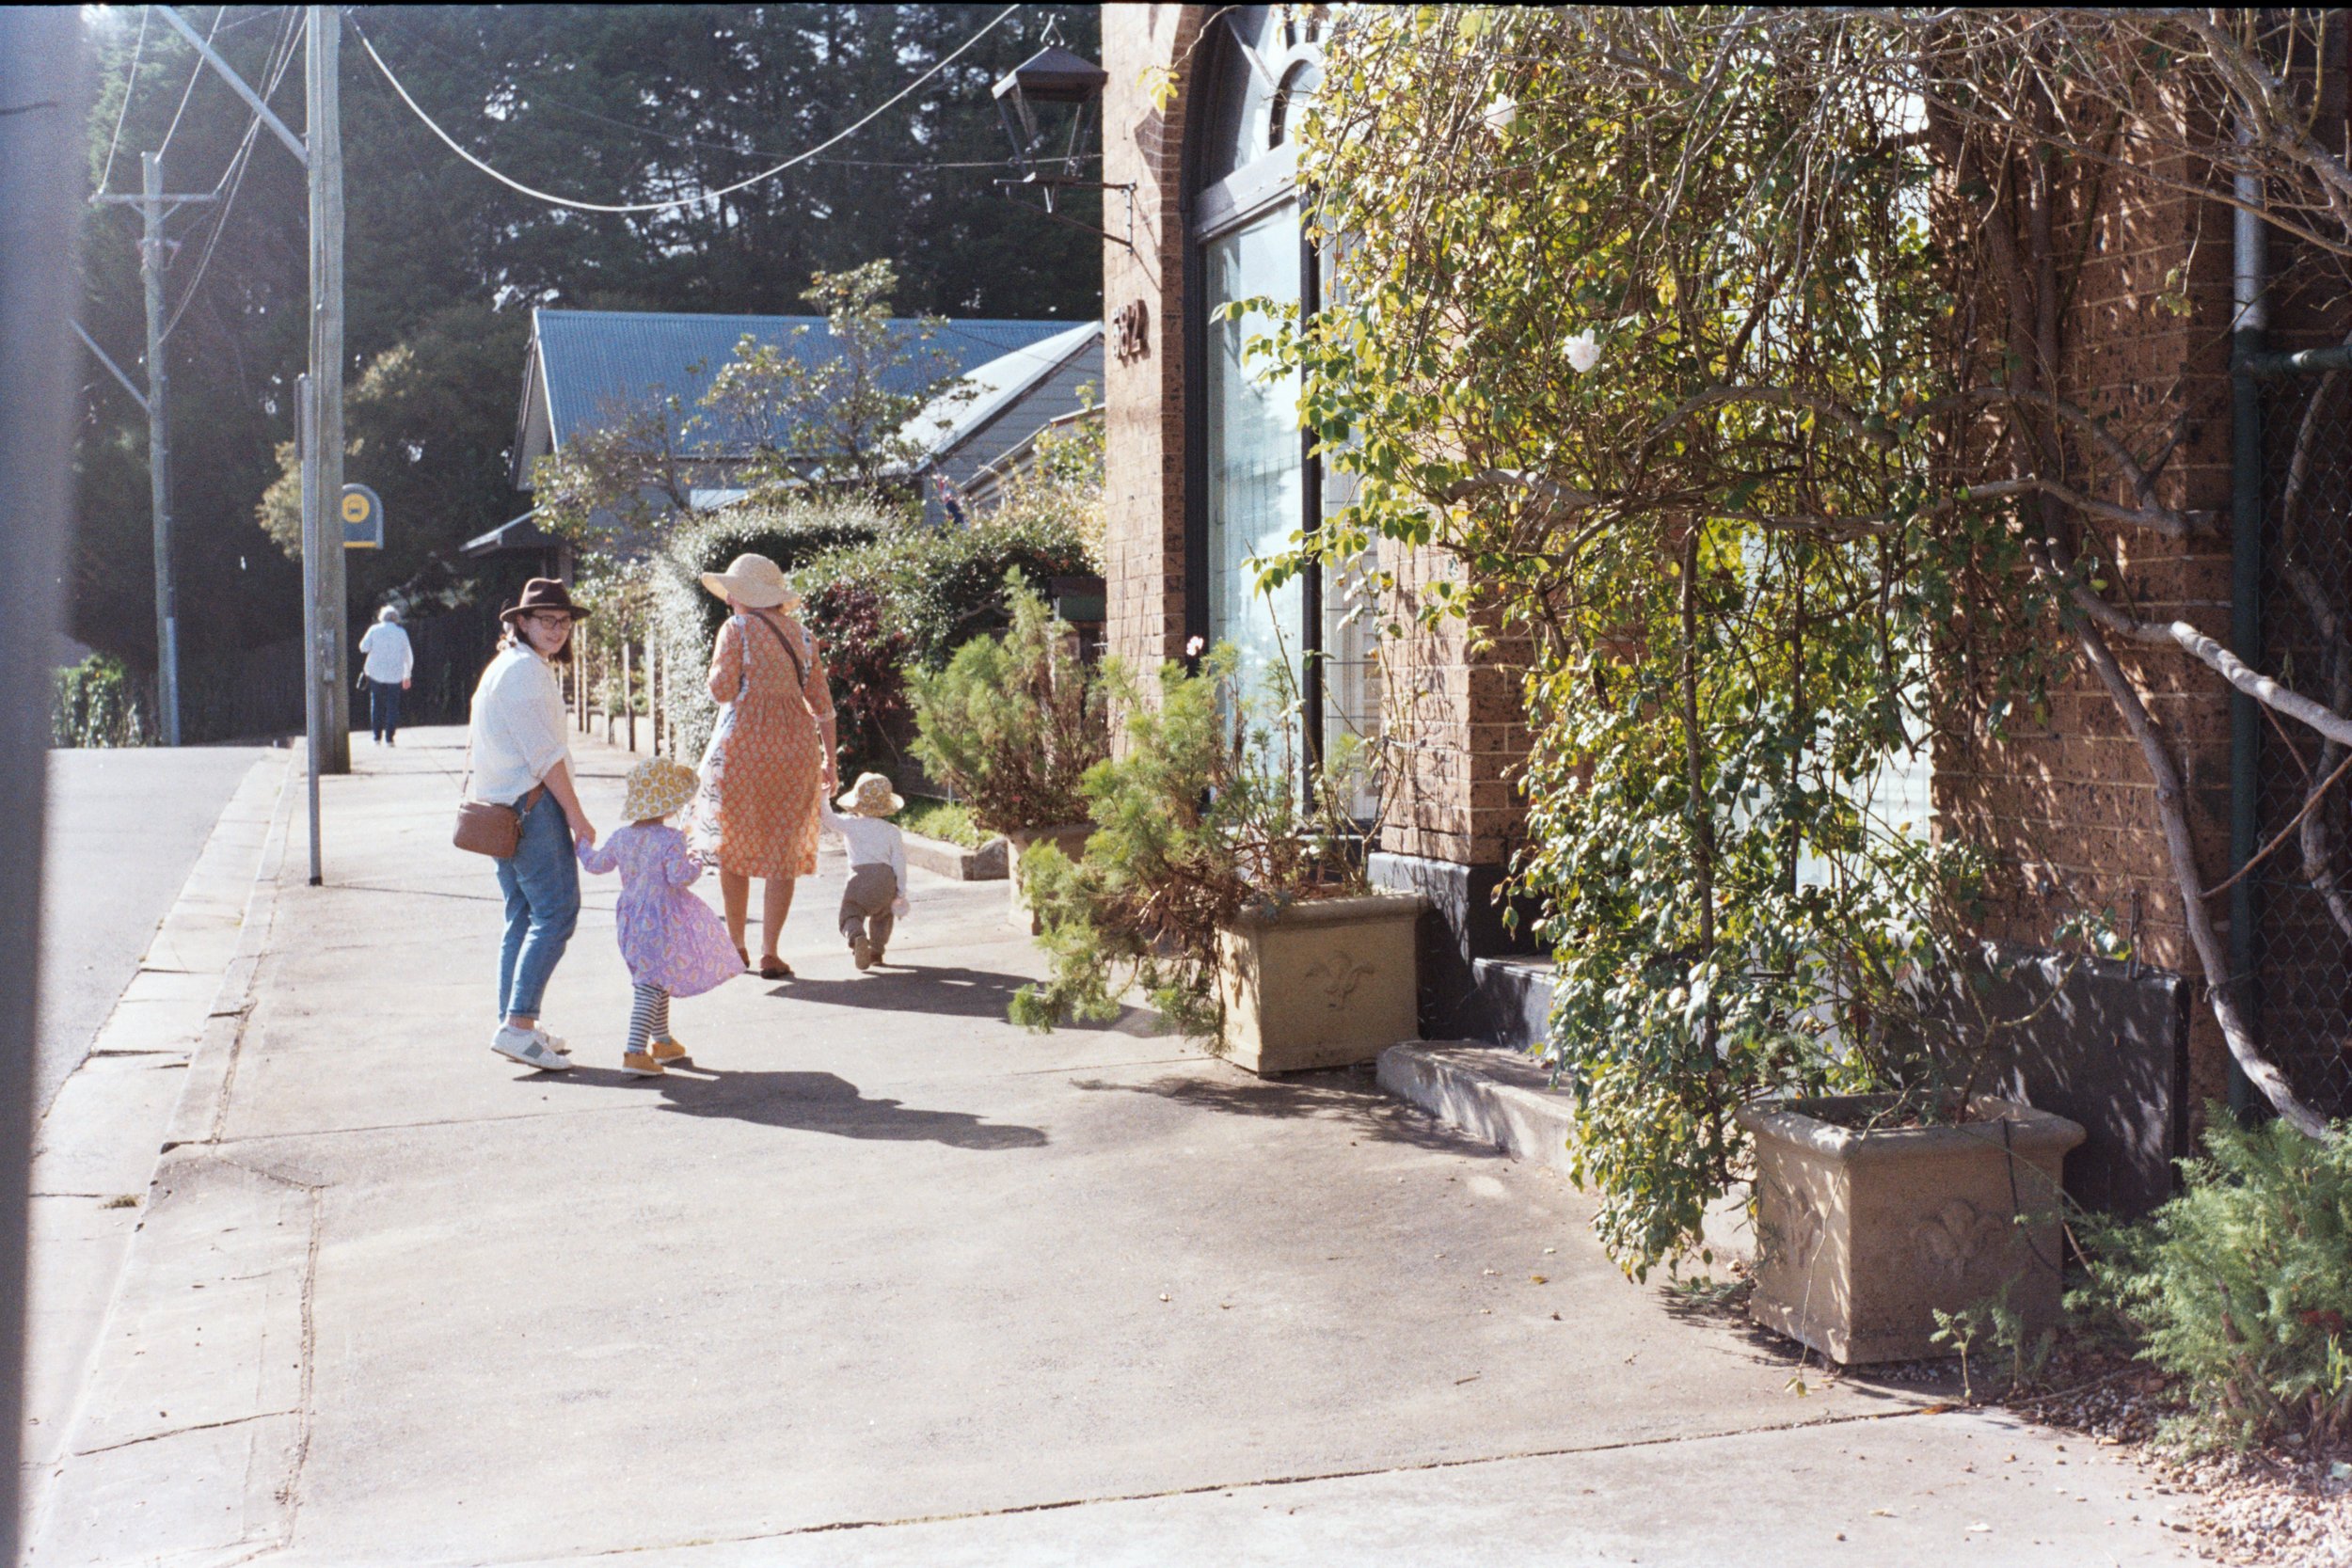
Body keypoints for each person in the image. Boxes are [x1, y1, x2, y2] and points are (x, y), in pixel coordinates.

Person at [468, 578, 597, 1073]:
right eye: (546, 620)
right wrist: (577, 814)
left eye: (564, 622)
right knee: (557, 913)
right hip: (531, 806)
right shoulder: (524, 674)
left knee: (522, 917)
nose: (558, 630)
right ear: (520, 622)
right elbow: (546, 757)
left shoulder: (510, 667)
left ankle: (513, 1024)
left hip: (504, 809)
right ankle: (518, 1026)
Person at [689, 553, 837, 979]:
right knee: (783, 852)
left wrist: (718, 670)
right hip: (796, 753)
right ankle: (771, 951)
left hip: (744, 751)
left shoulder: (735, 629)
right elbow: (824, 709)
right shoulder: (806, 638)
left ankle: (737, 947)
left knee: (733, 848)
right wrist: (831, 760)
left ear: (742, 595)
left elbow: (721, 691)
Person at [577, 756, 741, 1076]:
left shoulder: (621, 837)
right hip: (661, 918)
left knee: (656, 976)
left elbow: (596, 865)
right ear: (667, 805)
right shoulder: (670, 839)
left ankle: (663, 1041)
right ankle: (635, 1051)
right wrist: (696, 861)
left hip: (630, 917)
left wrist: (581, 846)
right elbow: (678, 877)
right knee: (651, 983)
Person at [819, 772, 912, 970]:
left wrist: (824, 796)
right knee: (883, 916)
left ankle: (857, 936)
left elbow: (828, 819)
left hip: (859, 878)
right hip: (886, 880)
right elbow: (899, 863)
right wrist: (901, 891)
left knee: (851, 913)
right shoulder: (892, 831)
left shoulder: (851, 824)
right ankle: (876, 951)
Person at [358, 604, 413, 745]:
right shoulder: (401, 633)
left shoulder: (374, 630)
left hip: (375, 673)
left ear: (381, 617)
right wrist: (407, 675)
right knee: (392, 706)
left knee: (376, 704)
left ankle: (376, 737)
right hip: (395, 674)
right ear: (396, 618)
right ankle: (390, 738)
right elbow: (408, 655)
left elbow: (363, 647)